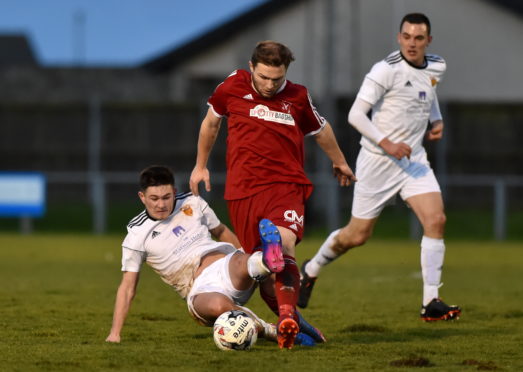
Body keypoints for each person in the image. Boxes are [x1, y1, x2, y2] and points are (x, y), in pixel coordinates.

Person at [189, 41, 356, 348]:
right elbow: (211, 123)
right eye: (263, 77)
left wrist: (340, 161)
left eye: (276, 79)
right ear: (251, 67)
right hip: (243, 191)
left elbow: (321, 129)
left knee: (285, 244)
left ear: (286, 73)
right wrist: (200, 166)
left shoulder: (298, 96)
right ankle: (292, 321)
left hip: (285, 184)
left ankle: (289, 315)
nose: (269, 85)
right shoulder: (232, 86)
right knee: (264, 268)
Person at [298, 13, 461, 322]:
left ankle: (431, 302)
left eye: (418, 38)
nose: (412, 43)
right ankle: (312, 268)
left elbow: (429, 89)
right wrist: (387, 143)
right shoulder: (385, 70)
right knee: (357, 236)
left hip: (413, 162)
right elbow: (356, 115)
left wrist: (435, 119)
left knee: (436, 220)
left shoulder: (437, 64)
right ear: (399, 38)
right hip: (378, 161)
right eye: (407, 37)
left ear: (428, 41)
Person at [105, 165, 320, 347]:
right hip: (199, 289)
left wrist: (242, 253)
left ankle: (264, 260)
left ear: (174, 191)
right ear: (142, 197)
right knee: (219, 306)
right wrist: (115, 333)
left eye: (166, 197)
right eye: (154, 198)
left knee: (241, 261)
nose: (161, 204)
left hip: (226, 266)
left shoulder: (192, 202)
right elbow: (127, 287)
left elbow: (221, 231)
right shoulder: (136, 234)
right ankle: (276, 330)